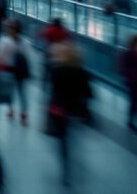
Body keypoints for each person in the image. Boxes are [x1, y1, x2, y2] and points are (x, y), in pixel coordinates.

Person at [47, 41, 93, 186]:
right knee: (71, 137)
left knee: (62, 139)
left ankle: (65, 168)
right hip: (75, 110)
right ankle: (71, 163)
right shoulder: (81, 72)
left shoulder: (56, 70)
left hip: (59, 110)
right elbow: (88, 93)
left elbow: (53, 92)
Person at [0, 19, 31, 125]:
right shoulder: (25, 42)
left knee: (10, 91)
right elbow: (27, 57)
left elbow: (0, 56)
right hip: (20, 71)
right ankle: (24, 113)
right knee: (22, 92)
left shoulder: (4, 41)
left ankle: (10, 109)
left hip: (9, 70)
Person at [119, 34, 137, 132]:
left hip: (134, 81)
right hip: (136, 81)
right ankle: (132, 121)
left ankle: (133, 119)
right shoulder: (135, 53)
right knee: (135, 101)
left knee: (135, 101)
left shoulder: (130, 52)